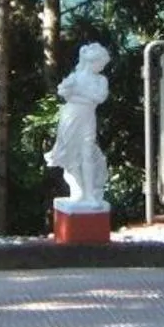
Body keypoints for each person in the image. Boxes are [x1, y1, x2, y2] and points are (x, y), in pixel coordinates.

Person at [44, 42, 111, 208]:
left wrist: (79, 93)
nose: (102, 67)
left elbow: (100, 97)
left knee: (87, 152)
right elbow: (62, 91)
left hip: (88, 116)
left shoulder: (100, 79)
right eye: (100, 64)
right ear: (92, 62)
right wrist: (81, 94)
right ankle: (79, 190)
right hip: (71, 116)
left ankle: (90, 194)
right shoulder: (75, 76)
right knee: (70, 154)